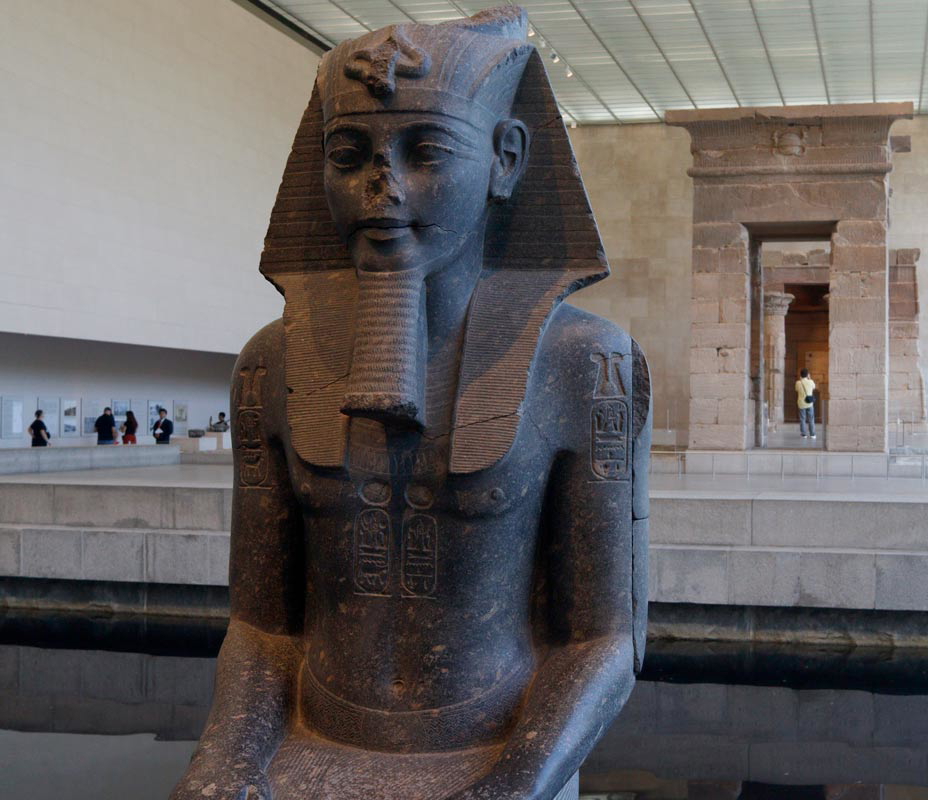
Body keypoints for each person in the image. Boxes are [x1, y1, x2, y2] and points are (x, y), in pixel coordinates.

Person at [171, 11, 649, 800]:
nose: (380, 187)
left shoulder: (585, 364)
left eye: (424, 152)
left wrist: (515, 783)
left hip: (497, 756)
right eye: (351, 156)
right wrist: (224, 762)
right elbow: (263, 628)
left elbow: (603, 640)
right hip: (308, 743)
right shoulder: (271, 363)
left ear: (505, 160)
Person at [796, 368, 817, 440]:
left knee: (802, 419)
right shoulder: (811, 382)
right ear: (808, 374)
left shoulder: (798, 383)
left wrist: (801, 379)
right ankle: (812, 434)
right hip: (809, 403)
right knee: (811, 419)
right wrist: (809, 378)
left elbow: (796, 389)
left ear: (801, 375)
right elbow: (814, 387)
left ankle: (803, 434)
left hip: (801, 403)